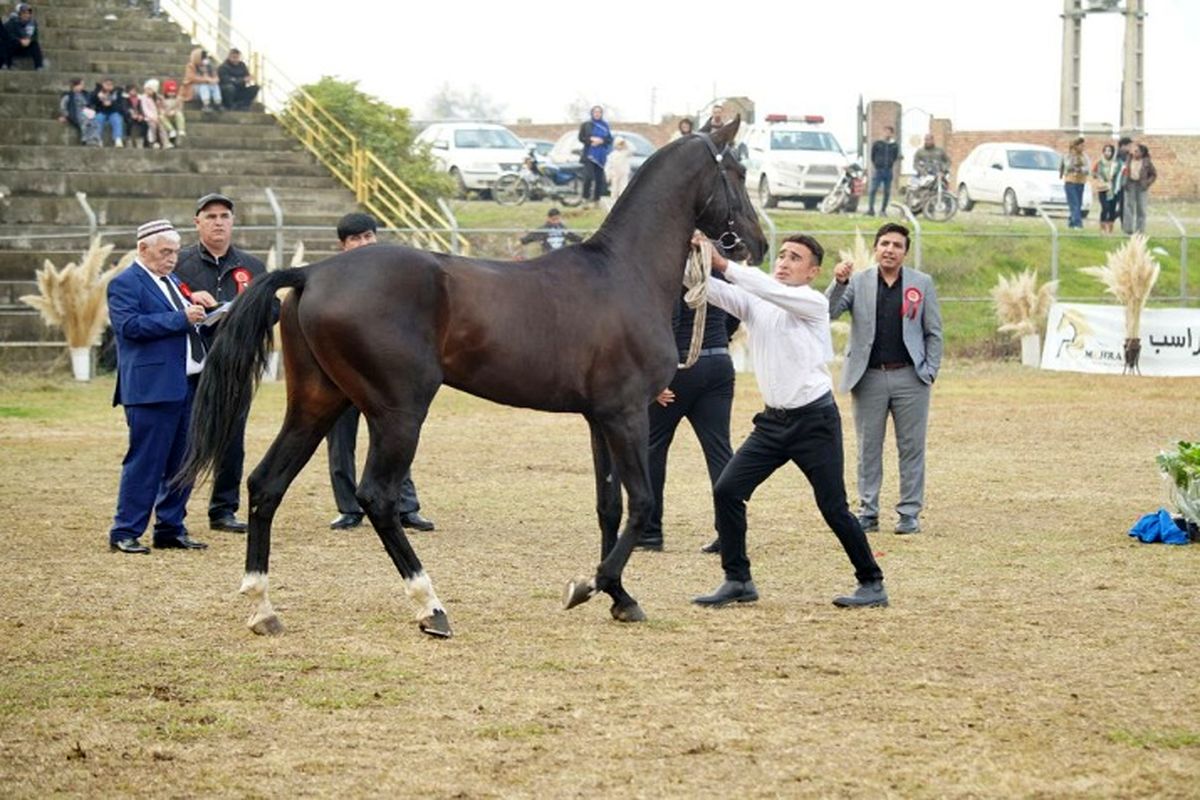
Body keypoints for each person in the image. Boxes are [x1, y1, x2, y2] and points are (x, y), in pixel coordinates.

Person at [690, 232, 887, 609]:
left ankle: (872, 583)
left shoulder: (811, 302)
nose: (783, 262)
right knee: (727, 490)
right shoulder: (757, 301)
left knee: (833, 508)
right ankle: (738, 580)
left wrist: (723, 263)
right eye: (781, 255)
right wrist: (688, 252)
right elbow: (707, 288)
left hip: (815, 422)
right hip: (772, 425)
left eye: (795, 258)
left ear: (813, 272)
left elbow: (749, 281)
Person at [826, 222, 942, 536]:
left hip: (910, 378)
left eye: (897, 245)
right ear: (876, 248)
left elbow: (934, 332)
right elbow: (829, 312)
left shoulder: (922, 283)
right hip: (869, 378)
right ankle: (868, 511)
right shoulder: (858, 282)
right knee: (868, 447)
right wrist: (837, 283)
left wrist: (929, 370)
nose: (890, 250)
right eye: (885, 244)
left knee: (912, 447)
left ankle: (909, 514)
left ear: (905, 251)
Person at [106, 219, 214, 554]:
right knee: (146, 462)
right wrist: (182, 318)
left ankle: (170, 528)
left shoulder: (173, 281)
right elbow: (129, 326)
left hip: (186, 385)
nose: (171, 258)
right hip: (151, 388)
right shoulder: (126, 283)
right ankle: (125, 531)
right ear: (143, 249)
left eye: (175, 252)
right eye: (165, 252)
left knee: (182, 462)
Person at [325, 212, 436, 533]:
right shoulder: (331, 280)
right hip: (342, 375)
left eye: (368, 236)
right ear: (343, 245)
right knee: (340, 444)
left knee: (394, 438)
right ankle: (348, 508)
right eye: (355, 239)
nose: (364, 243)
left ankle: (405, 505)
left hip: (383, 377)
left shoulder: (393, 279)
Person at [174, 193, 268, 533]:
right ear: (197, 222)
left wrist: (240, 313)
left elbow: (273, 311)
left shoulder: (252, 267)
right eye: (210, 215)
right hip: (190, 363)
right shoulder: (179, 263)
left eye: (224, 215)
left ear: (232, 222)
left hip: (234, 365)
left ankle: (223, 509)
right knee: (184, 438)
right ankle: (172, 510)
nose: (218, 222)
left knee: (232, 440)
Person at [639, 267, 740, 554]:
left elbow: (668, 322)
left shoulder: (670, 270)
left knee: (653, 447)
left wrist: (658, 377)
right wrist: (720, 340)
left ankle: (649, 532)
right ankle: (729, 532)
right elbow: (735, 313)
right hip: (719, 362)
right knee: (719, 450)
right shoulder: (719, 270)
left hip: (680, 367)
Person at [576, 105, 611, 206]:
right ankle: (585, 198)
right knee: (588, 177)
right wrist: (591, 140)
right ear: (592, 113)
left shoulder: (605, 125)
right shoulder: (586, 125)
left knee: (599, 179)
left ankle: (596, 200)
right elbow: (581, 138)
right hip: (589, 154)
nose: (597, 114)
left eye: (599, 112)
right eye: (595, 112)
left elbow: (609, 140)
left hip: (600, 156)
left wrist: (601, 141)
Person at [1121, 143, 1156, 235]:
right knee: (1129, 207)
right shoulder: (1128, 159)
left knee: (1141, 208)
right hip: (1130, 184)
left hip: (1141, 186)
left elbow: (1153, 174)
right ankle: (1128, 230)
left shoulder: (1147, 162)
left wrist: (1147, 183)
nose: (1134, 152)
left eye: (1137, 151)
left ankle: (1140, 231)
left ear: (1142, 153)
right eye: (1134, 150)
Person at [867, 125, 901, 216]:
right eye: (885, 131)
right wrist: (877, 164)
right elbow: (872, 156)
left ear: (892, 134)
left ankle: (883, 210)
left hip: (888, 170)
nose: (887, 133)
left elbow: (894, 157)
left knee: (886, 191)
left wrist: (889, 163)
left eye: (889, 132)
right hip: (879, 170)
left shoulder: (894, 146)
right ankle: (870, 209)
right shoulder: (877, 144)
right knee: (873, 189)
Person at [58, 77, 100, 146]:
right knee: (86, 121)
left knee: (94, 121)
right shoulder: (68, 95)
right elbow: (63, 106)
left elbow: (90, 102)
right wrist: (65, 116)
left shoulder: (85, 94)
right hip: (76, 113)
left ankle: (95, 139)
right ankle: (86, 139)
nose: (83, 86)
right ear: (75, 86)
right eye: (81, 84)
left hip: (86, 111)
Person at [0, 3, 43, 70]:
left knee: (35, 45)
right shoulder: (12, 23)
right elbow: (8, 36)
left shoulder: (32, 24)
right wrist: (19, 41)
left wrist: (29, 40)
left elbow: (35, 36)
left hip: (26, 46)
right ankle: (6, 64)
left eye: (28, 13)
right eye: (24, 13)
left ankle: (39, 66)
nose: (26, 15)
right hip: (15, 46)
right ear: (19, 14)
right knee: (5, 44)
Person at [1060, 136, 1089, 230]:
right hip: (1070, 182)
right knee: (1074, 203)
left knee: (1078, 204)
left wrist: (1081, 169)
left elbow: (1088, 168)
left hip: (1080, 182)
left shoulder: (1084, 156)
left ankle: (1071, 222)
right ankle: (1078, 224)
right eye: (1081, 145)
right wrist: (1073, 158)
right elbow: (1067, 166)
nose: (1082, 147)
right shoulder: (1068, 155)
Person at [88, 77, 126, 147]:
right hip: (101, 111)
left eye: (110, 85)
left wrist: (112, 104)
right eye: (106, 84)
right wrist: (100, 100)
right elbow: (92, 102)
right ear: (103, 84)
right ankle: (98, 139)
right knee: (98, 119)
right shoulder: (97, 92)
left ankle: (118, 138)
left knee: (117, 119)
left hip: (113, 111)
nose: (108, 86)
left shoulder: (117, 93)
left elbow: (121, 105)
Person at [182, 47, 221, 113]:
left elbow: (216, 77)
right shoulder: (191, 66)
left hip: (208, 86)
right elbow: (192, 78)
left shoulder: (209, 67)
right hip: (193, 88)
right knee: (204, 85)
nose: (204, 59)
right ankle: (206, 105)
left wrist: (214, 80)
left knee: (215, 85)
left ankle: (218, 103)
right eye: (202, 57)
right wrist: (206, 79)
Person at [1092, 143, 1119, 234]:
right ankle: (1102, 227)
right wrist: (1098, 176)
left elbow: (1119, 175)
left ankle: (1110, 229)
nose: (1107, 153)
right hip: (1102, 189)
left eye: (1110, 151)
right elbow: (1093, 174)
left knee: (1112, 208)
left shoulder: (1115, 164)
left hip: (1113, 189)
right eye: (1106, 151)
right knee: (1105, 207)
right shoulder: (1099, 163)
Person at [141, 78, 172, 149]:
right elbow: (145, 110)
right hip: (149, 118)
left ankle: (166, 142)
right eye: (147, 89)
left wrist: (161, 113)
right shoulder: (144, 98)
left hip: (158, 117)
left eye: (150, 89)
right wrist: (153, 118)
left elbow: (163, 107)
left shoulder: (158, 98)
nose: (147, 91)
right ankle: (154, 142)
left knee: (162, 127)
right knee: (153, 126)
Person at [604, 137, 634, 204]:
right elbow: (608, 165)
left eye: (622, 144)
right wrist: (607, 175)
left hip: (624, 173)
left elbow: (632, 149)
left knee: (623, 186)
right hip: (614, 174)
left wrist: (625, 143)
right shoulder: (612, 155)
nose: (620, 146)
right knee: (614, 188)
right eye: (619, 144)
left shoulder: (625, 153)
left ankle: (622, 200)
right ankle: (613, 201)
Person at [123, 83, 148, 148]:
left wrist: (141, 115)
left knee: (144, 123)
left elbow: (143, 108)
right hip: (129, 116)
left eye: (135, 90)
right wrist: (131, 114)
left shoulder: (140, 99)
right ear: (128, 91)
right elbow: (125, 108)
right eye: (132, 90)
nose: (134, 92)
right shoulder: (125, 98)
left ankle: (141, 140)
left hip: (138, 116)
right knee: (129, 122)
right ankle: (128, 139)